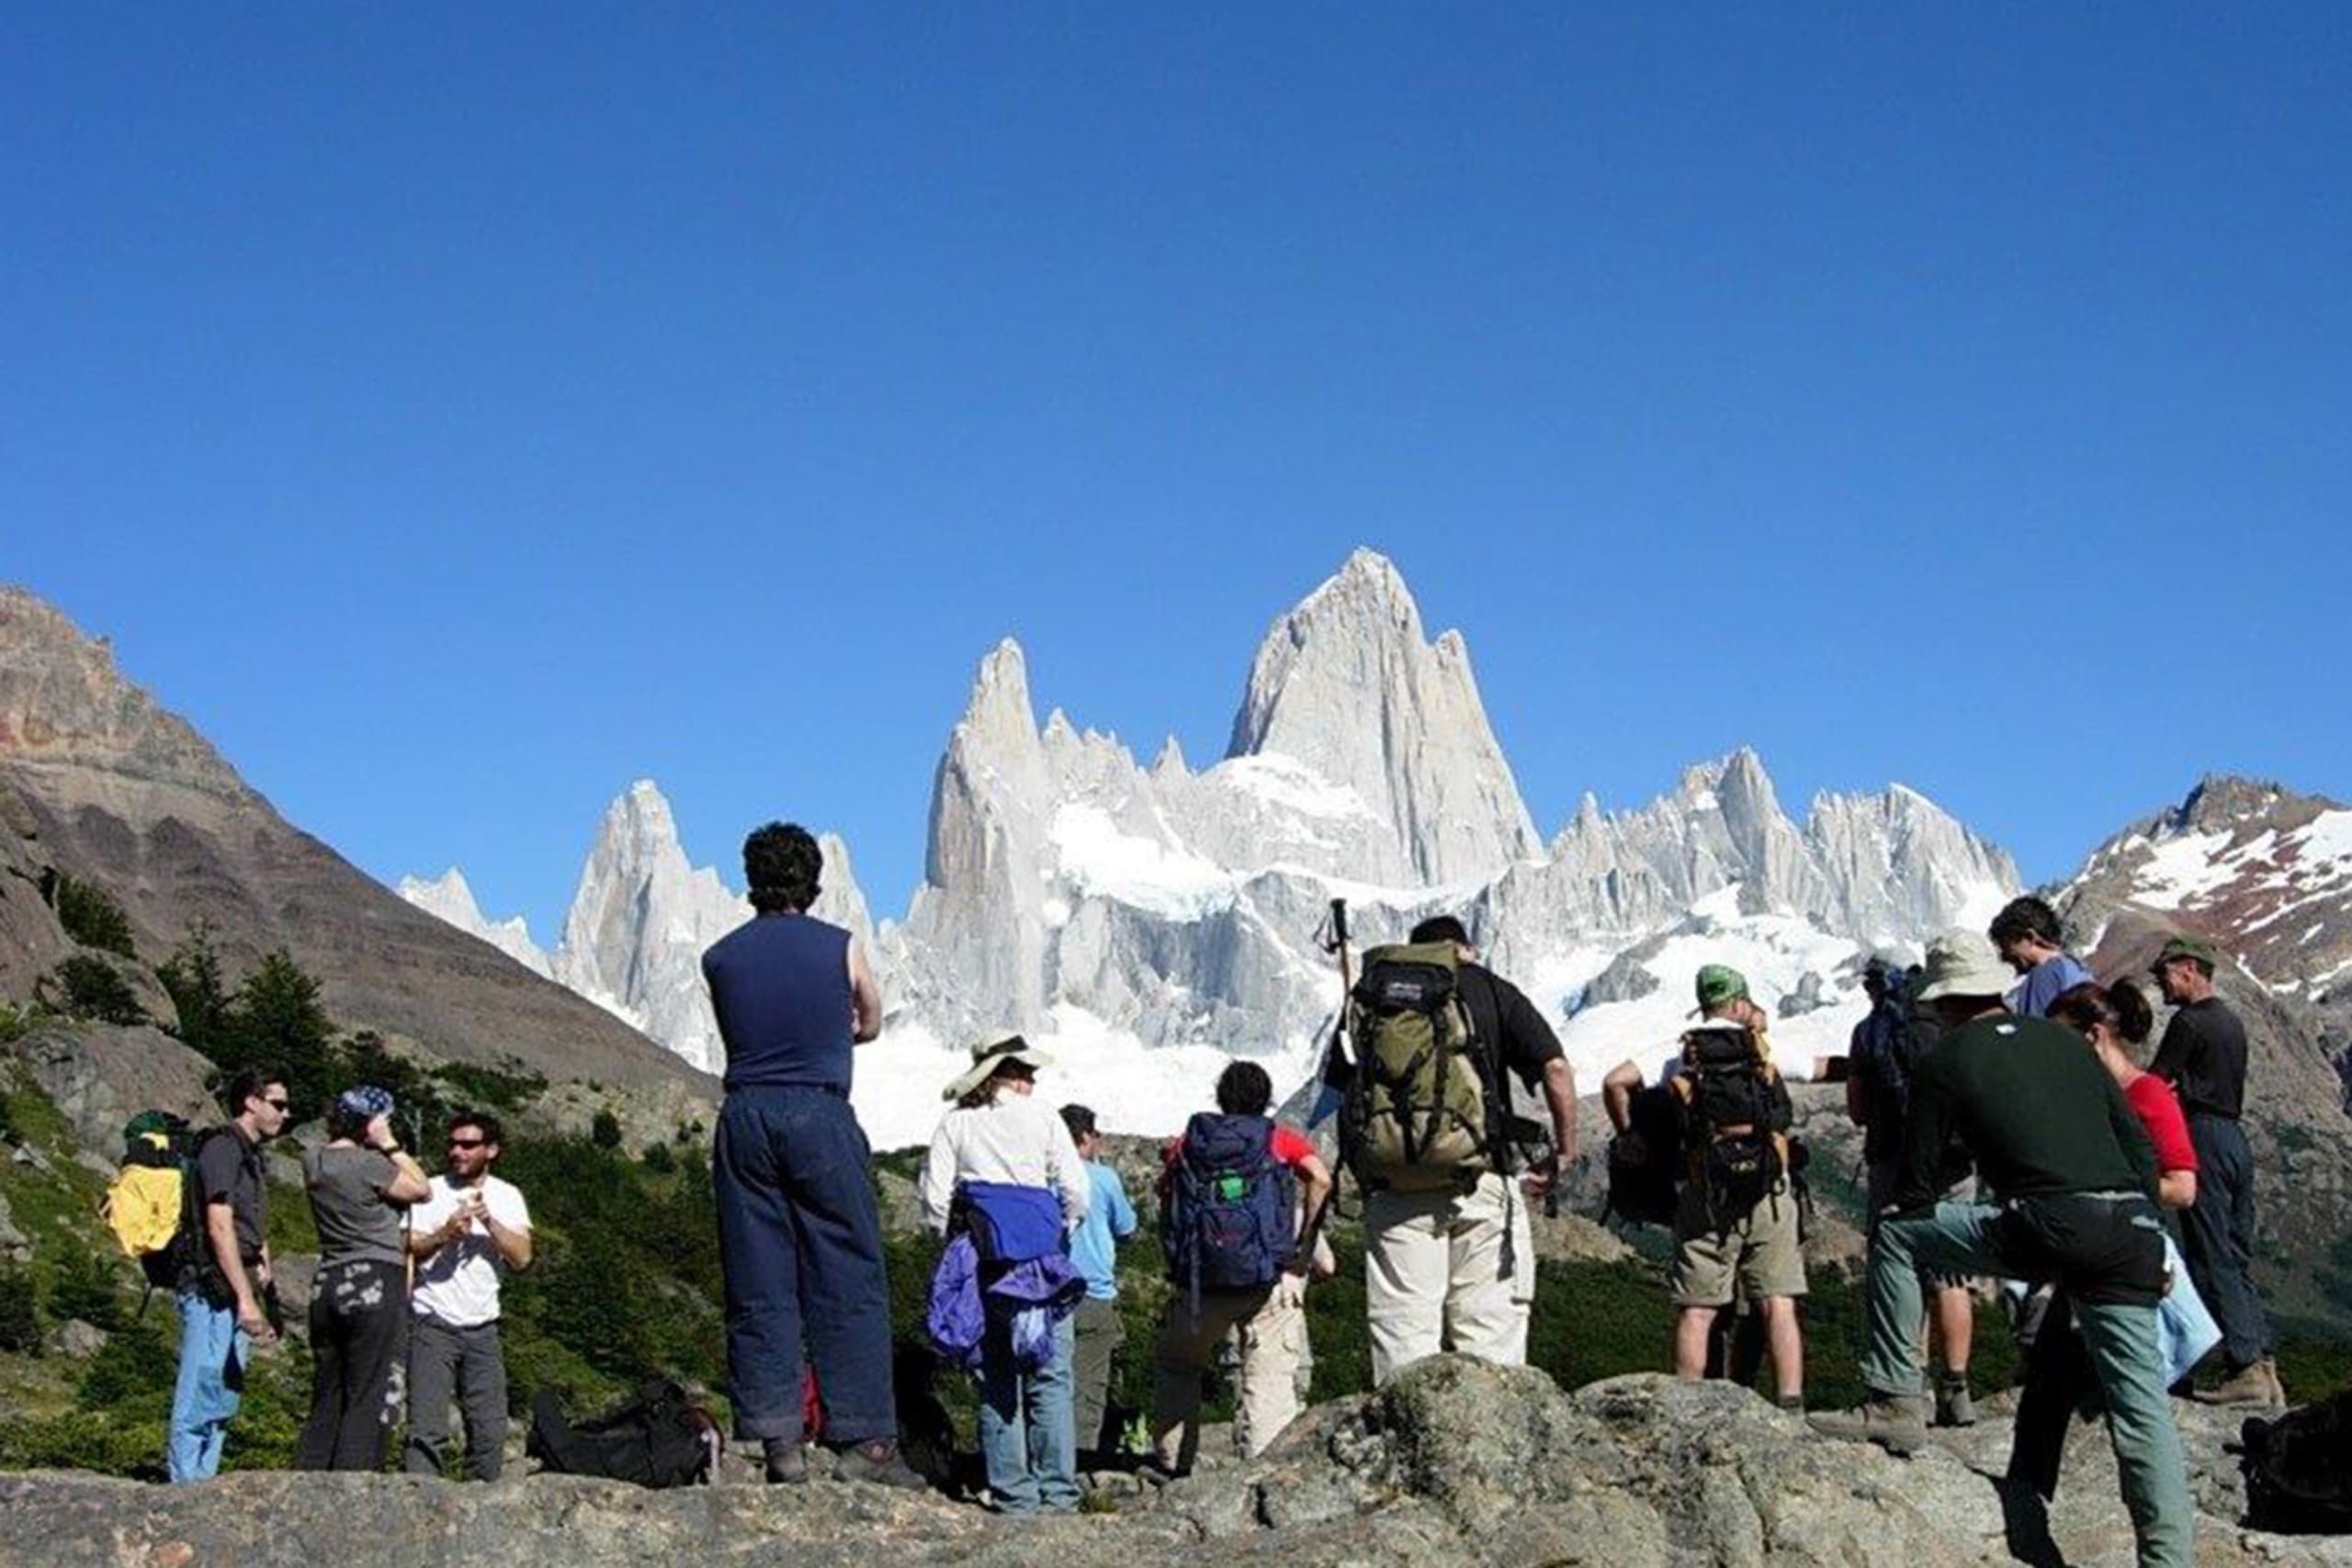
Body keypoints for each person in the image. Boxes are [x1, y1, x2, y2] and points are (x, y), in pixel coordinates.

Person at [1812, 931, 2191, 1568]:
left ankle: (1895, 1398)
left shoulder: (1944, 1062)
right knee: (2142, 1411)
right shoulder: (2071, 1046)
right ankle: (2169, 1559)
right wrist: (2151, 1240)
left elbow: (1918, 1184)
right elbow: (2138, 1148)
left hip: (2044, 1223)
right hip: (2129, 1232)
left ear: (1940, 1001)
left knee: (1897, 1233)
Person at [704, 821, 921, 1486]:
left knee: (758, 1274)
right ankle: (865, 1442)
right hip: (818, 1111)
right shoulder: (841, 946)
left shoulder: (720, 955)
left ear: (751, 882)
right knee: (846, 1271)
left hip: (745, 1116)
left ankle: (778, 1438)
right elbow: (873, 1020)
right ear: (814, 881)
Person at [1348, 915, 1577, 1385]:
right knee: (1491, 1343)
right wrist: (1566, 1151)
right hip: (1482, 1180)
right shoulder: (1491, 988)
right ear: (1466, 948)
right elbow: (1555, 1069)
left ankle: (1405, 1447)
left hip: (1397, 1188)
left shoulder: (1377, 997)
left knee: (1404, 1338)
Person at [921, 1036, 1090, 1514]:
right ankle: (1058, 1491)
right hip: (1045, 1261)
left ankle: (1015, 1494)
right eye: (1027, 1073)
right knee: (1051, 1376)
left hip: (987, 1261)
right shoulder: (1043, 1117)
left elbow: (935, 1200)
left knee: (997, 1376)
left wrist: (952, 1240)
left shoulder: (956, 1123)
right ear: (1009, 1073)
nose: (1033, 1082)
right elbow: (1076, 1190)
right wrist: (1061, 1227)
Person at [1151, 1061, 1333, 1472]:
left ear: (1220, 1097)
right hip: (1267, 1279)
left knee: (1177, 1363)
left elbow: (1167, 1198)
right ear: (1266, 1100)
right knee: (1267, 1376)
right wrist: (1300, 1255)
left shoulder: (1188, 1143)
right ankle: (1262, 1472)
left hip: (1201, 1283)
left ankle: (1174, 1465)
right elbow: (1320, 1177)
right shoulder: (1278, 1140)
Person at [1658, 965, 1805, 1410]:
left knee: (1697, 1310)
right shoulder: (1764, 1050)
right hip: (1768, 1190)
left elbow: (1616, 1082)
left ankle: (1685, 1408)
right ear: (1741, 1002)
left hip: (1709, 1192)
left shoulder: (1683, 1054)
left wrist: (1632, 1135)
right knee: (1777, 1303)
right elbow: (1819, 1068)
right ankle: (1792, 1405)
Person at [2148, 933, 2279, 1407]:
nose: (2159, 981)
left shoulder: (2189, 1023)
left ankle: (2242, 1364)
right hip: (2233, 1139)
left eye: (2164, 972)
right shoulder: (2230, 1021)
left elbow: (2156, 1083)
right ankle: (2262, 1364)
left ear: (2188, 969)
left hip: (2201, 1136)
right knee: (2233, 1250)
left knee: (2209, 1253)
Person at [1845, 954, 1976, 1427]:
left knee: (1897, 1269)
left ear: (1874, 987)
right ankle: (1957, 1390)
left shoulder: (1868, 1031)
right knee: (1951, 1276)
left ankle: (1908, 1387)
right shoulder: (1947, 1023)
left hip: (1892, 1161)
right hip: (1952, 1161)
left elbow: (1858, 1111)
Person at [297, 1085, 430, 1471]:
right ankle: (353, 1482)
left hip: (328, 1281)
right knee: (367, 1391)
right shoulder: (370, 1165)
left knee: (328, 1390)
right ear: (370, 1123)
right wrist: (388, 1144)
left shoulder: (313, 1161)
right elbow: (420, 1189)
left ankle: (309, 1474)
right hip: (375, 1278)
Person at [168, 1066, 289, 1483]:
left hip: (234, 1285)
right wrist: (245, 1299)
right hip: (211, 1287)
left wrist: (264, 1294)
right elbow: (219, 1225)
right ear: (251, 1102)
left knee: (222, 1392)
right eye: (277, 1103)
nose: (285, 1113)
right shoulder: (223, 1148)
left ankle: (204, 1480)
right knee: (202, 1385)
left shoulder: (249, 1155)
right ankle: (185, 1486)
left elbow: (250, 1231)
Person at [405, 1110, 533, 1481]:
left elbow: (522, 1256)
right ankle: (420, 1504)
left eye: (468, 1144)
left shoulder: (507, 1195)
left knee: (490, 1431)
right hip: (432, 1322)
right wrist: (444, 1235)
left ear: (490, 1150)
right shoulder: (429, 1191)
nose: (457, 1151)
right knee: (427, 1430)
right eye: (453, 1144)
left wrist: (489, 1223)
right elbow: (407, 1248)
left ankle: (480, 1506)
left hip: (483, 1327)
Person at [1058, 1103, 1136, 1462]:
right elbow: (1127, 1227)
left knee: (1049, 1383)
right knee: (1087, 1385)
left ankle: (1044, 1457)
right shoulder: (1103, 1179)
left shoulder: (1045, 1173)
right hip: (1094, 1293)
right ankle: (1079, 1462)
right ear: (1087, 1136)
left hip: (1049, 1293)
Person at [1989, 896, 2094, 1019]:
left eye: (2006, 946)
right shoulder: (2075, 968)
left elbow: (2034, 1031)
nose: (2004, 956)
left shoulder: (2044, 975)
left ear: (2029, 937)